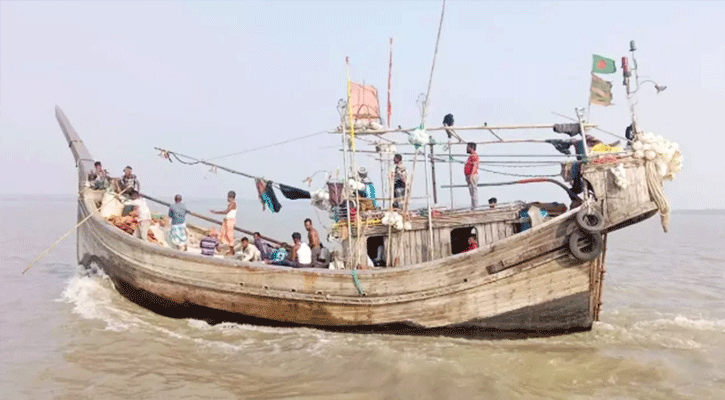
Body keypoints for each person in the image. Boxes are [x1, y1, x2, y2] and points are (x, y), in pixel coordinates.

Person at [210, 190, 237, 255]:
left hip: (230, 220)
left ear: (231, 197)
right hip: (227, 220)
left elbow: (226, 212)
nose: (227, 198)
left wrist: (216, 212)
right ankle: (224, 248)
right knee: (222, 234)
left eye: (228, 197)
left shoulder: (233, 203)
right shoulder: (231, 204)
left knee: (229, 235)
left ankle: (232, 250)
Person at [464, 142, 479, 210]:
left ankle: (475, 207)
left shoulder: (474, 156)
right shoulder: (471, 157)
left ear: (471, 148)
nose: (467, 148)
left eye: (468, 147)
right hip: (469, 176)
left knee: (474, 192)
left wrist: (471, 175)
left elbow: (474, 166)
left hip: (472, 176)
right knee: (472, 193)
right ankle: (473, 207)